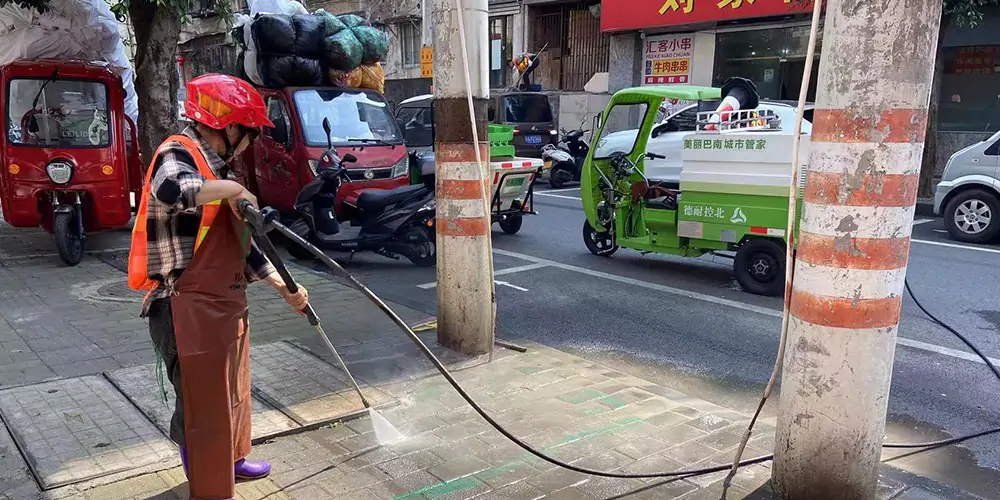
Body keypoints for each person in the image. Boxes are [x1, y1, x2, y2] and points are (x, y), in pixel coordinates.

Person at [127, 73, 309, 500]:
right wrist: (233, 188)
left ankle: (232, 461)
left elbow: (242, 245)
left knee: (232, 391)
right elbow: (172, 189)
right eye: (249, 132)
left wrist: (285, 288)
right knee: (201, 404)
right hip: (182, 309)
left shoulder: (217, 169)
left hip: (225, 306)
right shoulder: (177, 152)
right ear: (228, 126)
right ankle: (209, 487)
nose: (250, 143)